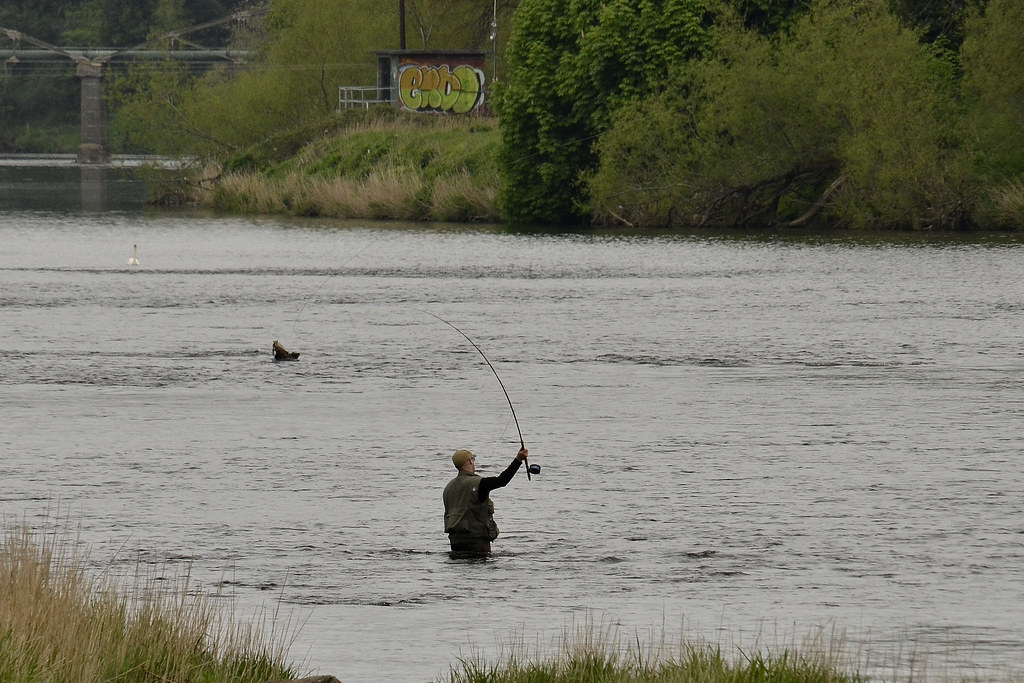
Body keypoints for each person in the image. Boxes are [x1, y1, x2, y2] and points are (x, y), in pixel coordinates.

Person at [443, 446, 529, 555]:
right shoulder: (479, 483)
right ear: (470, 461)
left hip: (455, 544)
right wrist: (518, 460)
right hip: (478, 545)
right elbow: (502, 480)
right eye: (473, 459)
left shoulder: (448, 487)